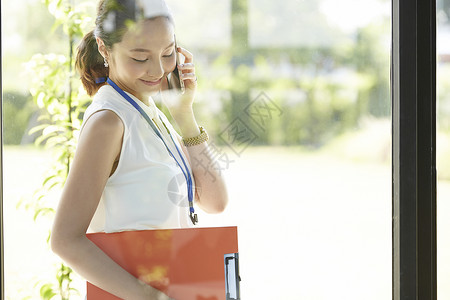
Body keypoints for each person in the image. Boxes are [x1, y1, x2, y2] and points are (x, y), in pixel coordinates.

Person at [50, 0, 228, 299]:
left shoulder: (148, 109)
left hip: (175, 285)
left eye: (168, 53)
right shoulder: (108, 122)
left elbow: (214, 201)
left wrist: (184, 115)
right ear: (105, 50)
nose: (158, 69)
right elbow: (65, 240)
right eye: (140, 57)